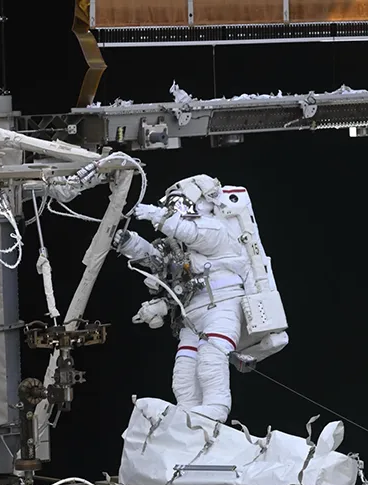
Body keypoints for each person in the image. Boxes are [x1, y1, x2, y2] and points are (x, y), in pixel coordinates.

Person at [114, 174, 284, 423]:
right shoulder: (179, 244)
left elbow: (191, 232)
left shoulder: (215, 229)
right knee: (183, 370)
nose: (174, 209)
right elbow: (159, 262)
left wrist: (155, 215)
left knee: (211, 357)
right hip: (193, 314)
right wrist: (130, 243)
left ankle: (216, 406)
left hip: (223, 307)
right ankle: (187, 413)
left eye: (178, 204)